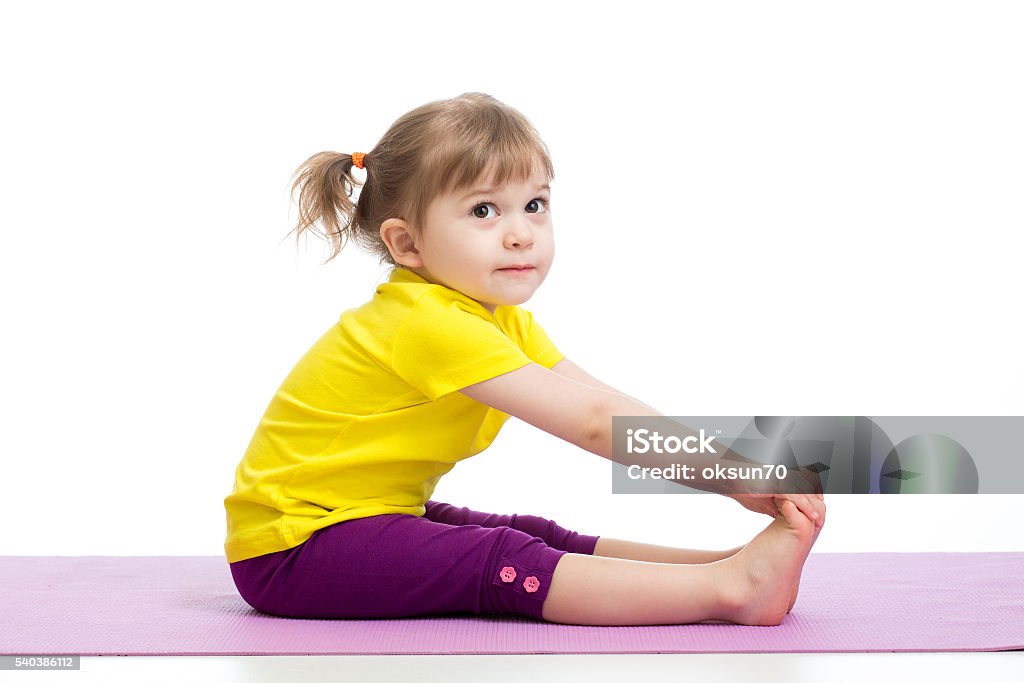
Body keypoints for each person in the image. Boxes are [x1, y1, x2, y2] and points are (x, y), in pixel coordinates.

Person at [223, 92, 826, 627]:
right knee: (500, 562)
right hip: (294, 549)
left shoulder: (497, 318)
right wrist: (734, 477)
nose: (520, 234)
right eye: (484, 211)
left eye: (534, 204)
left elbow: (606, 403)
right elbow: (591, 422)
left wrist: (733, 467)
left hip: (360, 518)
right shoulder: (424, 323)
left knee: (523, 534)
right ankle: (730, 589)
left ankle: (718, 564)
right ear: (406, 243)